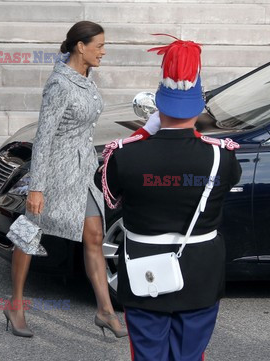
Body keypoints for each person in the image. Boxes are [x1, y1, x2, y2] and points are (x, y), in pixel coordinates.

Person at [102, 35, 242, 360]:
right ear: (200, 102)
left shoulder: (126, 155)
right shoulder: (223, 158)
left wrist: (143, 134)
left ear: (159, 103)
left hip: (143, 269)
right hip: (200, 275)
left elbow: (109, 193)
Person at [3, 21, 127, 338]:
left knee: (96, 235)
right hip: (56, 173)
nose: (103, 51)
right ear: (80, 46)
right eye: (98, 45)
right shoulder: (59, 85)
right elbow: (43, 139)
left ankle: (104, 310)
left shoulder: (86, 77)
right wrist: (36, 188)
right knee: (29, 233)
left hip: (82, 171)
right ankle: (15, 305)